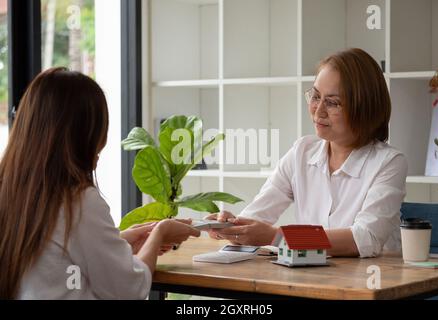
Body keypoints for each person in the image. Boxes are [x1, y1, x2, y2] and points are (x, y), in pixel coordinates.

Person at [0, 68, 200, 300]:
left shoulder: (11, 189)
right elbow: (129, 289)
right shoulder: (78, 200)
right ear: (83, 135)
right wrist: (160, 234)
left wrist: (120, 242)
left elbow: (53, 258)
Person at [207, 48, 408, 258]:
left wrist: (277, 238)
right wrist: (232, 226)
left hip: (370, 282)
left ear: (363, 107)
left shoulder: (389, 162)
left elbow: (364, 239)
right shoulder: (302, 151)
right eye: (315, 96)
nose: (318, 110)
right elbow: (257, 214)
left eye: (332, 102)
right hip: (308, 279)